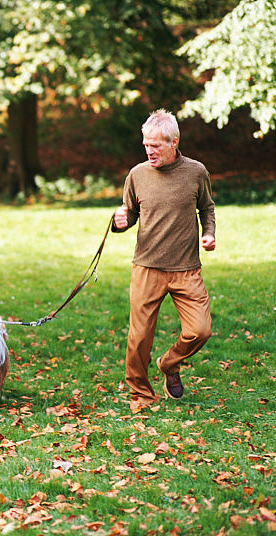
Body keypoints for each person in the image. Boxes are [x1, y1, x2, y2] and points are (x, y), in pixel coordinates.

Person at [112, 109, 216, 412]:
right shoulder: (137, 174)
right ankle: (141, 395)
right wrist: (119, 221)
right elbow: (128, 214)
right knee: (139, 337)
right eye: (146, 144)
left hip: (187, 270)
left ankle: (169, 363)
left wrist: (208, 233)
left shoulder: (196, 172)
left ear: (174, 142)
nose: (149, 151)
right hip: (147, 268)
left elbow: (207, 208)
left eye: (155, 145)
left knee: (201, 330)